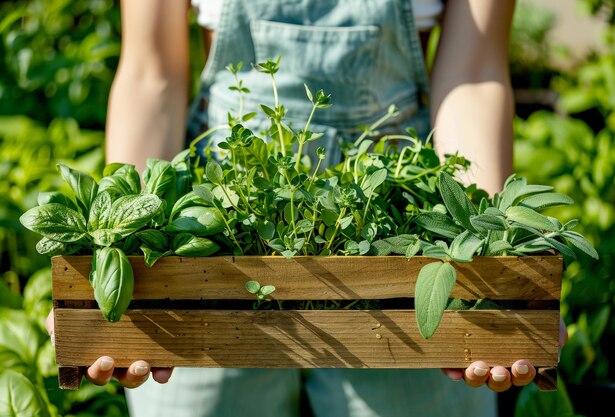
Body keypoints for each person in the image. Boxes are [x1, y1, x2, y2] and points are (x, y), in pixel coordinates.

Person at [46, 0, 563, 416]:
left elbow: (471, 73)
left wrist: (490, 268)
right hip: (209, 239)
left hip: (403, 236)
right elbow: (150, 71)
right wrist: (119, 259)